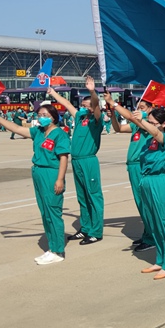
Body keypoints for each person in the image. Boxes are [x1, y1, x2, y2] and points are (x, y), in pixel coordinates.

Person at [0, 105, 70, 265]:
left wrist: (60, 179)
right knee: (45, 213)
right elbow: (18, 128)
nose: (40, 117)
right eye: (39, 114)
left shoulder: (59, 134)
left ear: (53, 117)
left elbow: (64, 158)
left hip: (51, 174)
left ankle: (58, 250)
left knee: (53, 211)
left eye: (44, 114)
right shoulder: (39, 132)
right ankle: (52, 248)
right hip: (38, 173)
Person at [111, 103, 165, 280]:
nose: (150, 125)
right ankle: (160, 260)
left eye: (154, 122)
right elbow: (143, 129)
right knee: (153, 222)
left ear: (163, 124)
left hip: (160, 181)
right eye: (149, 121)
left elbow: (156, 133)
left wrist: (143, 122)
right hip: (146, 180)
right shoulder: (148, 140)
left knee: (164, 223)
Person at [48, 77, 104, 245]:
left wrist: (92, 91)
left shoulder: (96, 120)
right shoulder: (80, 118)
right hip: (77, 161)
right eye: (84, 105)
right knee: (82, 196)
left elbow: (96, 107)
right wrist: (53, 93)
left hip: (89, 161)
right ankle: (85, 228)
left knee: (93, 195)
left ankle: (96, 231)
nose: (84, 107)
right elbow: (67, 104)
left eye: (88, 105)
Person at [105, 92, 156, 253]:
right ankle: (148, 233)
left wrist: (113, 103)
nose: (138, 110)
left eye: (142, 107)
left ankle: (152, 237)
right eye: (137, 107)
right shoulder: (136, 125)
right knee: (140, 203)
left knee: (145, 203)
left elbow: (132, 118)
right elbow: (118, 128)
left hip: (142, 166)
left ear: (150, 109)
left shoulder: (149, 123)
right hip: (133, 167)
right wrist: (113, 115)